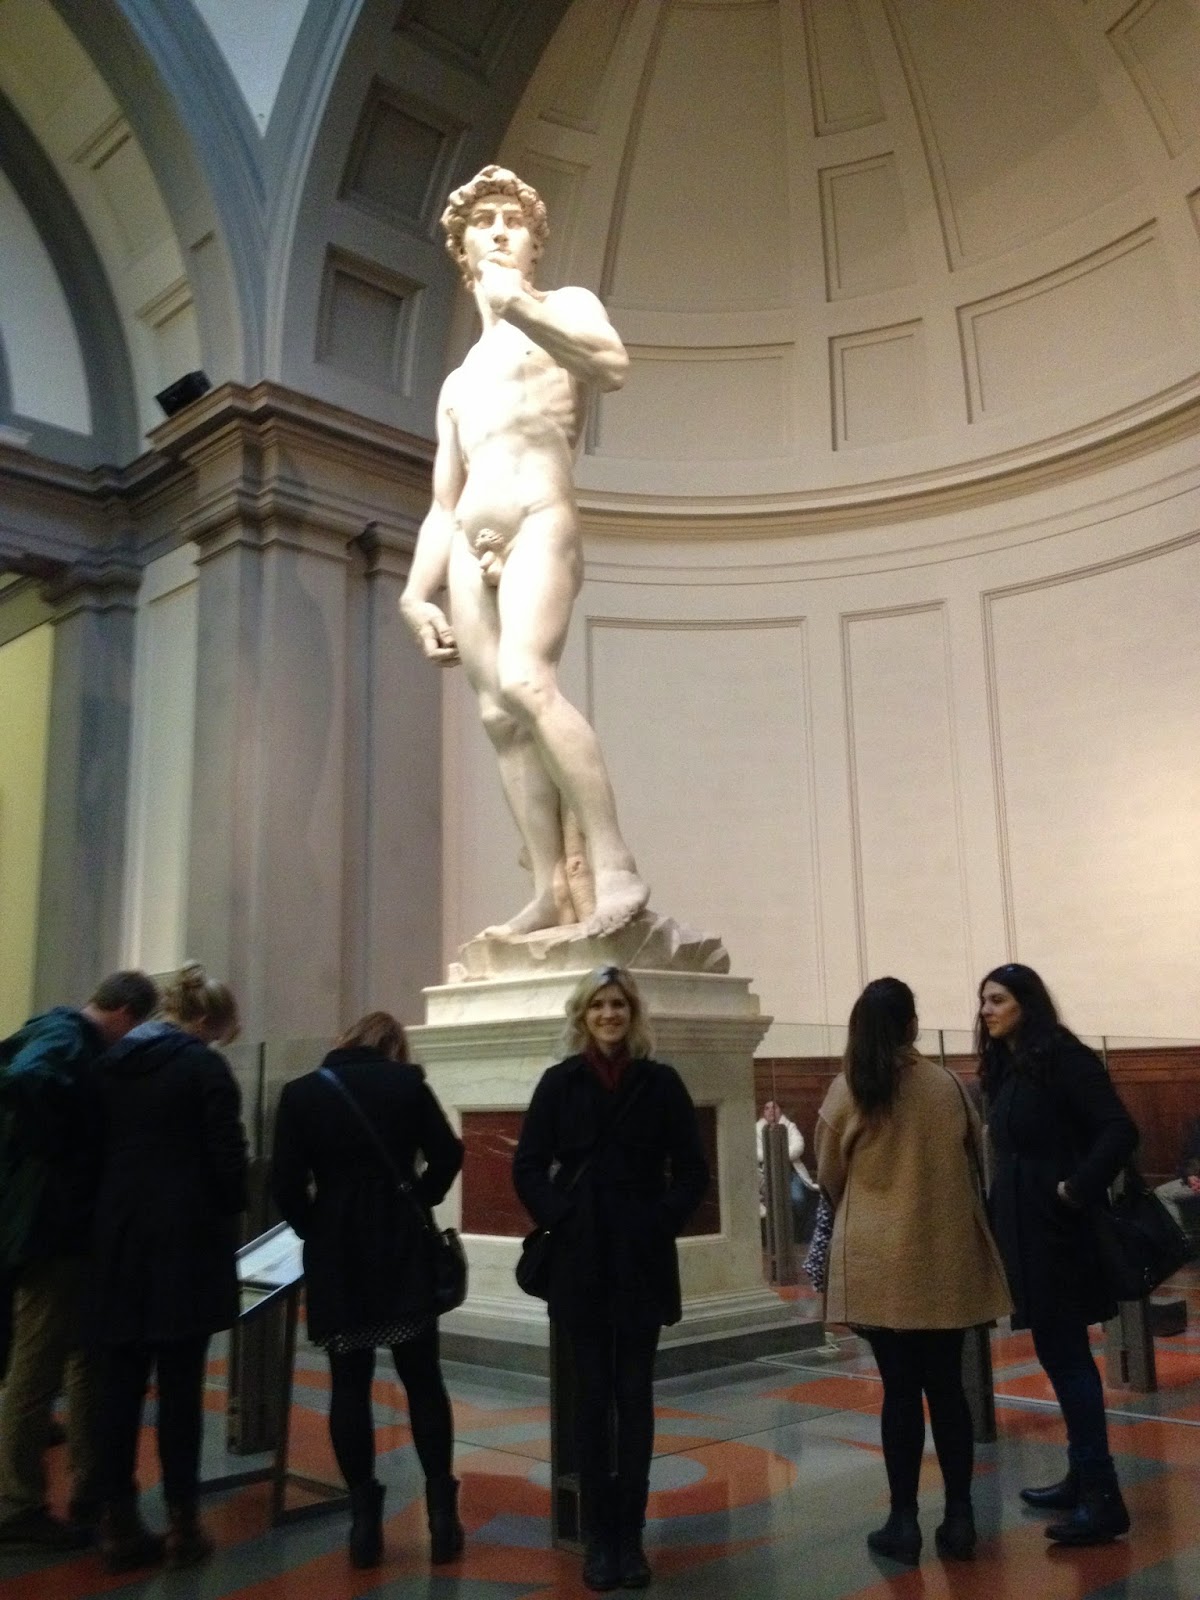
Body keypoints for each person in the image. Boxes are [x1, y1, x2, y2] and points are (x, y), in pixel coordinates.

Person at [399, 165, 649, 941]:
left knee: (525, 681)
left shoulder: (563, 306)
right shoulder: (457, 382)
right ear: (464, 249)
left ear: (534, 245)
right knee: (498, 718)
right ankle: (548, 887)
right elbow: (444, 502)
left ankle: (613, 864)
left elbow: (610, 366)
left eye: (515, 221)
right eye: (486, 222)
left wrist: (521, 309)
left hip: (542, 515)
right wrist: (415, 593)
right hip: (470, 541)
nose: (501, 231)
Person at [512, 966, 709, 1592]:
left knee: (636, 1394)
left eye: (618, 1004)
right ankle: (600, 1536)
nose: (609, 1014)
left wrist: (660, 1219)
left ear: (633, 1012)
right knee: (592, 1397)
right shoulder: (559, 1083)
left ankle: (632, 1533)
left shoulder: (661, 1082)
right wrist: (564, 1217)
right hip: (581, 1256)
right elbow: (527, 1166)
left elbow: (693, 1171)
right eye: (598, 1005)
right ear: (583, 1014)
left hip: (641, 1255)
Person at [815, 977, 1011, 1567]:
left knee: (898, 1393)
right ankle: (960, 1517)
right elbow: (978, 1160)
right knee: (948, 1391)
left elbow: (828, 1175)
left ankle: (903, 1522)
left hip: (877, 1263)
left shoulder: (848, 1088)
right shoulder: (946, 1085)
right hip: (941, 1257)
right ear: (911, 1025)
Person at [270, 1011, 464, 1570]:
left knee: (349, 1383)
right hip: (401, 1242)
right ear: (393, 1047)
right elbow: (449, 1153)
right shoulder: (406, 1082)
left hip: (339, 1251)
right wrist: (420, 1197)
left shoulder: (302, 1093)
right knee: (422, 1378)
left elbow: (285, 1183)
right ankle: (442, 1517)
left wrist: (316, 1225)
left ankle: (363, 1525)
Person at [90, 962, 248, 1572]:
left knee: (118, 1388)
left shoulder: (109, 1066)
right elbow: (228, 1159)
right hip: (185, 1244)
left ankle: (118, 1522)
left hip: (118, 1240)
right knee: (182, 1391)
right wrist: (226, 1204)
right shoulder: (203, 1067)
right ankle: (184, 1524)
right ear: (205, 1021)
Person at [978, 962, 1138, 1546]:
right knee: (1058, 1353)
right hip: (1028, 1234)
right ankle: (1082, 1476)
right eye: (984, 1001)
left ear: (1027, 1003)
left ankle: (1103, 1496)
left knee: (1069, 1360)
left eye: (998, 999)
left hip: (1058, 1235)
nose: (986, 1011)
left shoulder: (1065, 1057)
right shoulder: (1014, 1064)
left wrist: (1075, 1188)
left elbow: (1119, 1130)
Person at [0, 969, 158, 1550]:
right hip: (53, 1231)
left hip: (57, 1228)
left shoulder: (60, 1032)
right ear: (126, 1015)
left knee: (76, 1358)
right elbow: (26, 1079)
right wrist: (62, 1145)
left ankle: (86, 1484)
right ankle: (16, 1505)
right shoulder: (67, 1036)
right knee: (35, 1368)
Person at [755, 1098, 818, 1239]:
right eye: (767, 1108)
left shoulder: (790, 1127)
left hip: (791, 1173)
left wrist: (774, 1155)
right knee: (772, 1204)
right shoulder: (756, 1129)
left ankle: (798, 1235)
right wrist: (779, 1154)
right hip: (766, 1175)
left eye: (774, 1107)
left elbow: (798, 1147)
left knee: (798, 1200)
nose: (771, 1111)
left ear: (780, 1110)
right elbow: (756, 1153)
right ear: (762, 1112)